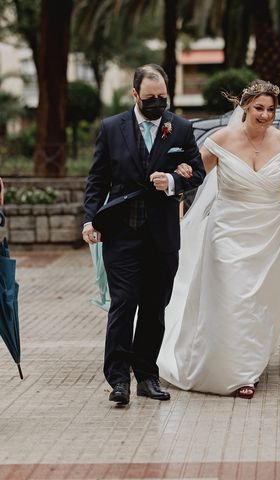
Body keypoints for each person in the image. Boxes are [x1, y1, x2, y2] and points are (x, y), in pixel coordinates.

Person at [156, 80, 280, 400]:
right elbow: (195, 175)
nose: (265, 115)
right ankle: (223, 367)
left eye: (271, 109)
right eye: (258, 108)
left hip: (269, 233)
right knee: (228, 297)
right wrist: (173, 180)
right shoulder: (221, 140)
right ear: (245, 108)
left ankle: (247, 371)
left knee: (255, 304)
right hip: (227, 230)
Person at [83, 64, 206, 406]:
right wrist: (89, 220)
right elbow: (97, 180)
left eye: (162, 97)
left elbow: (197, 171)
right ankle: (118, 379)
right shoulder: (111, 128)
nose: (157, 103)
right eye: (150, 97)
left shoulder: (179, 127)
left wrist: (173, 182)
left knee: (155, 307)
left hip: (162, 235)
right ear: (135, 95)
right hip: (122, 233)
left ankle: (147, 377)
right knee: (124, 304)